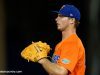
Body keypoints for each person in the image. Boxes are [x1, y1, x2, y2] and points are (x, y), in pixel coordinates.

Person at [38, 4, 86, 75]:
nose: (56, 19)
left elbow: (61, 72)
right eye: (57, 16)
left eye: (61, 16)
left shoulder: (73, 43)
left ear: (72, 20)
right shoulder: (60, 44)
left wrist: (43, 59)